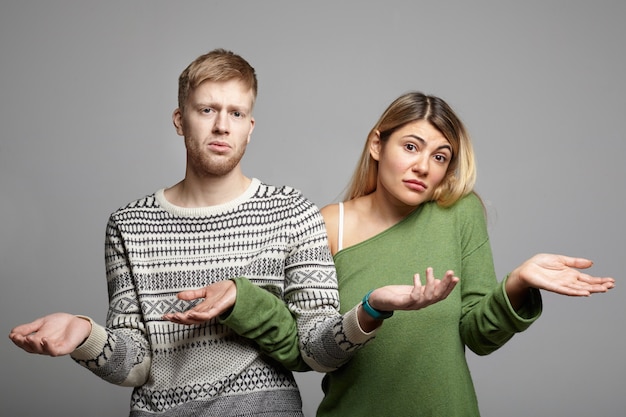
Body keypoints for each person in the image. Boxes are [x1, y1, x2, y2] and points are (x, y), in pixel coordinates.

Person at [8, 48, 383, 417]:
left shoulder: (292, 212)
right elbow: (136, 364)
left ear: (249, 128)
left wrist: (370, 310)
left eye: (236, 113)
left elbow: (315, 351)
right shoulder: (129, 224)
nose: (222, 125)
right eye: (207, 110)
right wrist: (84, 334)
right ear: (179, 119)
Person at [312, 91, 615, 416]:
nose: (423, 167)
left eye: (440, 157)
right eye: (410, 147)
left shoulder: (458, 213)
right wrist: (372, 308)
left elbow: (479, 337)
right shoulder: (331, 224)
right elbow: (313, 351)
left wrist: (517, 283)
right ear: (377, 145)